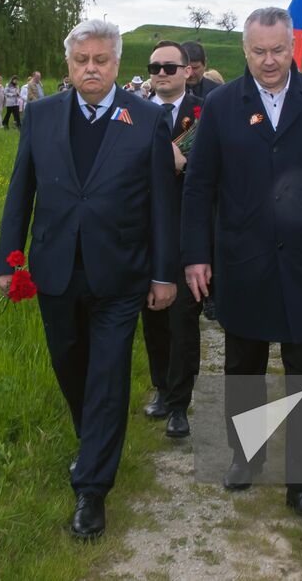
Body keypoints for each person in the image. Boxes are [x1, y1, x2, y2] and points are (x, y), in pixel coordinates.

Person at [0, 18, 179, 540]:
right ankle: (92, 441)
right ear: (69, 64)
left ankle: (92, 490)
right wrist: (9, 263)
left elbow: (163, 208)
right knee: (70, 364)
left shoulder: (145, 120)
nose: (91, 69)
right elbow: (20, 193)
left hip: (121, 275)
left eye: (101, 60)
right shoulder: (41, 115)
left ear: (117, 64)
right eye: (82, 61)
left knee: (107, 376)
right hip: (55, 271)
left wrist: (164, 274)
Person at [183, 7, 302, 519]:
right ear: (245, 51)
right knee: (243, 367)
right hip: (243, 259)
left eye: (278, 50)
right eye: (258, 52)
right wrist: (196, 255)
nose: (269, 60)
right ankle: (246, 455)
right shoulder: (220, 104)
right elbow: (200, 185)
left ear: (292, 47)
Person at [137, 40, 204, 439]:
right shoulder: (135, 113)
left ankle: (180, 402)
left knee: (182, 319)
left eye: (169, 67)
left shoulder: (204, 112)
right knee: (154, 316)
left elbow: (206, 161)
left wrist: (180, 157)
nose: (161, 73)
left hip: (186, 231)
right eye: (155, 67)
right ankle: (162, 388)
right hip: (145, 232)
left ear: (187, 71)